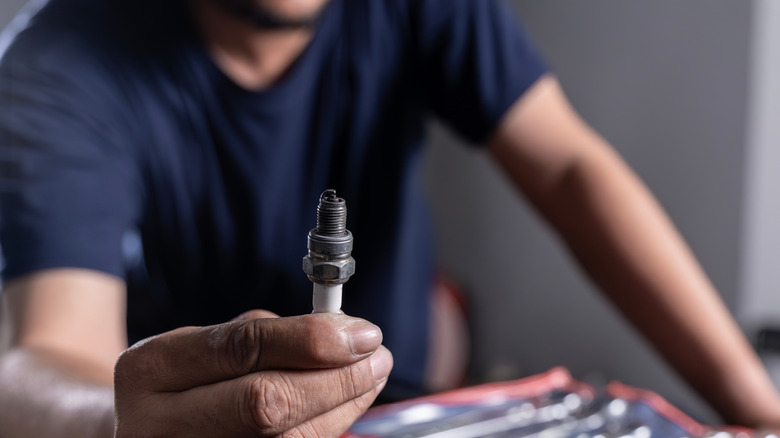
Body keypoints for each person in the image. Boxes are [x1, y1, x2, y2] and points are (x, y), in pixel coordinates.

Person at [1, 0, 779, 436]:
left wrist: (758, 409)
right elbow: (46, 358)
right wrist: (127, 427)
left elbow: (571, 171)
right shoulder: (58, 66)